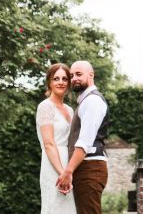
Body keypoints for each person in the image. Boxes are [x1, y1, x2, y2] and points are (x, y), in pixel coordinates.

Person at [57, 61, 109, 214]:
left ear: (90, 75)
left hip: (90, 167)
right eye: (72, 75)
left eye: (79, 74)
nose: (74, 78)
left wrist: (68, 171)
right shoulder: (86, 101)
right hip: (87, 166)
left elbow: (84, 142)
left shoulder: (92, 101)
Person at [36, 63, 77, 214]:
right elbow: (48, 144)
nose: (60, 82)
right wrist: (62, 173)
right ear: (49, 82)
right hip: (54, 164)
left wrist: (69, 171)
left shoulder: (70, 110)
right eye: (56, 78)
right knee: (55, 207)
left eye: (64, 79)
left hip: (69, 165)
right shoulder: (45, 107)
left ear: (69, 83)